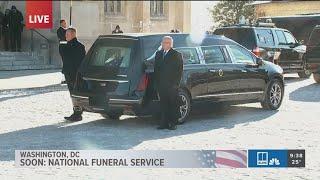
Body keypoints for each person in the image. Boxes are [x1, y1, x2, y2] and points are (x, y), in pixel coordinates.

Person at [154, 36, 183, 130]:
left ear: (171, 44)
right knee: (163, 104)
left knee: (172, 105)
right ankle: (163, 123)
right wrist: (157, 83)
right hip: (161, 85)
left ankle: (172, 123)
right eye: (163, 42)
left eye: (167, 42)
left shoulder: (176, 54)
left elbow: (179, 71)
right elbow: (156, 69)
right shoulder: (158, 54)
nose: (165, 44)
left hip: (172, 85)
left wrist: (175, 85)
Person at [63, 28, 86, 121]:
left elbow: (78, 61)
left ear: (73, 35)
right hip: (70, 73)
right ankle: (77, 112)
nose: (65, 36)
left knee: (75, 94)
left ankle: (77, 114)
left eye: (67, 35)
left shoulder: (78, 46)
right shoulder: (69, 45)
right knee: (73, 94)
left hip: (74, 74)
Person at [57, 19, 67, 84]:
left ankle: (66, 78)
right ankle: (64, 78)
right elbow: (63, 37)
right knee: (65, 62)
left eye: (65, 23)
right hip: (63, 47)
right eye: (64, 23)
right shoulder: (59, 30)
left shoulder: (65, 30)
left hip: (67, 47)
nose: (65, 24)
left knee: (67, 63)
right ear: (61, 24)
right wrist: (68, 31)